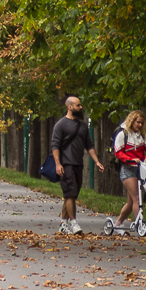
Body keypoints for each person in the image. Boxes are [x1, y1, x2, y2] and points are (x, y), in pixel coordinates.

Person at [51, 95, 104, 234]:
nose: (81, 107)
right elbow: (55, 145)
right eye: (78, 105)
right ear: (70, 107)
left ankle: (63, 223)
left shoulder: (82, 125)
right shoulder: (61, 125)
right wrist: (58, 164)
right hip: (65, 163)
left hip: (78, 163)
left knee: (71, 195)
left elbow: (89, 145)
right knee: (70, 193)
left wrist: (97, 161)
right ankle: (73, 222)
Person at [113, 110, 146, 231]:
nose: (140, 125)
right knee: (137, 198)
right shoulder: (123, 134)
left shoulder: (142, 136)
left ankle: (118, 223)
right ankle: (141, 225)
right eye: (138, 122)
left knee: (131, 202)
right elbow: (118, 153)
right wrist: (131, 159)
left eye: (142, 123)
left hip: (140, 169)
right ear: (132, 121)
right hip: (127, 169)